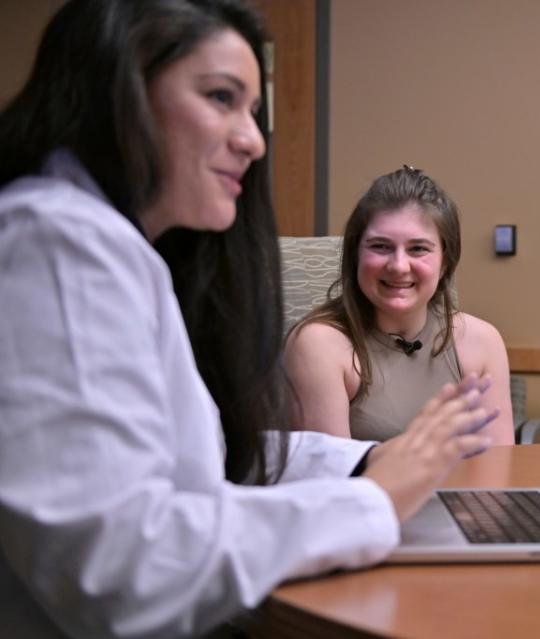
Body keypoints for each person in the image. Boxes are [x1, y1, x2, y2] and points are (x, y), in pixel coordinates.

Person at [0, 1, 498, 637]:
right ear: (117, 93)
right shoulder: (57, 240)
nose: (254, 140)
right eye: (219, 97)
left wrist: (371, 461)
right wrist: (369, 500)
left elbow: (204, 459)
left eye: (254, 111)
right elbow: (119, 567)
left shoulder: (121, 250)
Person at [284, 167, 516, 445]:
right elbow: (331, 483)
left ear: (445, 262)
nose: (398, 266)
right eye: (380, 246)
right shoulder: (317, 344)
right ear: (355, 255)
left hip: (464, 491)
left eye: (418, 249)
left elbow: (500, 469)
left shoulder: (483, 341)